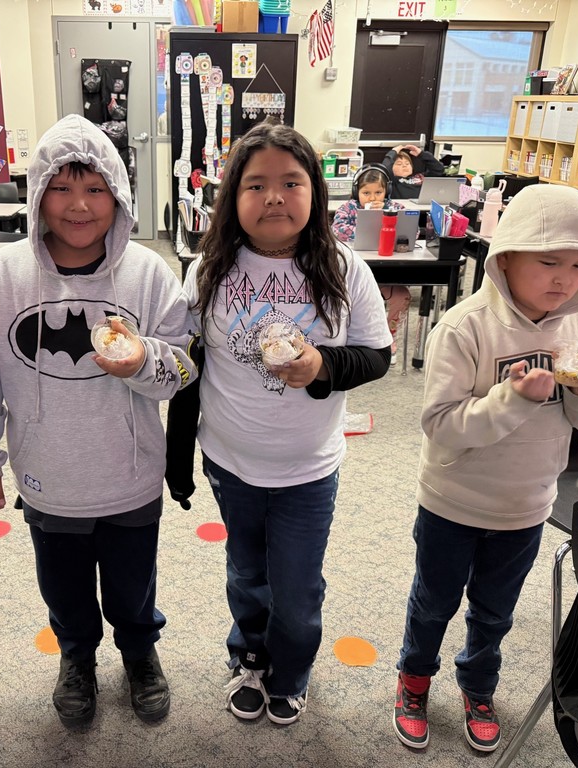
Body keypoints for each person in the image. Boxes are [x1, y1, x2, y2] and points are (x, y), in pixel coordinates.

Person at [0, 114, 196, 729]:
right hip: (48, 475)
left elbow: (183, 370)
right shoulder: (2, 278)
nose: (79, 205)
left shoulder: (147, 275)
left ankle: (140, 653)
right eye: (60, 188)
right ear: (37, 194)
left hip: (130, 473)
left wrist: (144, 360)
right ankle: (77, 658)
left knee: (132, 584)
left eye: (95, 189)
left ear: (118, 195)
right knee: (63, 587)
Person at [393, 184, 578, 754]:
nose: (563, 279)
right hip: (454, 500)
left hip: (527, 504)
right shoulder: (464, 327)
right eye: (547, 261)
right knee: (434, 602)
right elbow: (441, 425)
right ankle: (414, 681)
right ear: (506, 258)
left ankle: (478, 686)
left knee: (495, 612)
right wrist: (513, 400)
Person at [182, 121, 392, 726]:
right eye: (255, 185)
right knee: (247, 574)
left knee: (296, 590)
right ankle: (248, 655)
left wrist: (324, 364)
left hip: (308, 468)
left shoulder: (345, 269)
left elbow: (376, 356)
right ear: (233, 199)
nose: (274, 196)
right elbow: (182, 360)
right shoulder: (208, 271)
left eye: (290, 182)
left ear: (315, 192)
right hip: (231, 461)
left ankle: (292, 670)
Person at [331, 165, 412, 363]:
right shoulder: (348, 208)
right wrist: (366, 221)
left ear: (387, 192)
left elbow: (411, 233)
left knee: (402, 296)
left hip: (387, 268)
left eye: (378, 192)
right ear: (356, 192)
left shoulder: (394, 209)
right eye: (366, 193)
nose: (372, 198)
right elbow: (337, 230)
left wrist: (386, 217)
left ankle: (387, 339)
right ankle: (352, 341)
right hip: (353, 272)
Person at [380, 143, 446, 200]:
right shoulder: (392, 180)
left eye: (407, 163)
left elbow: (439, 169)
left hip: (425, 207)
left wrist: (421, 154)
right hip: (405, 209)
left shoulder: (420, 177)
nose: (404, 166)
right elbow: (384, 170)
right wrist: (393, 152)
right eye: (399, 164)